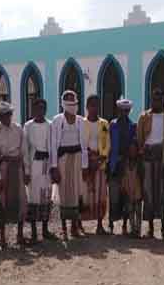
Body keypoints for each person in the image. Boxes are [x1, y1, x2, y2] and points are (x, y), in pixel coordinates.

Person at [137, 88, 164, 240]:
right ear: (151, 99)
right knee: (148, 192)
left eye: (159, 99)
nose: (157, 102)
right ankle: (150, 228)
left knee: (162, 193)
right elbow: (139, 138)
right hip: (147, 157)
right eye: (154, 99)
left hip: (163, 157)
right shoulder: (143, 117)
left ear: (163, 101)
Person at [50, 91, 89, 239]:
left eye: (73, 102)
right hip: (63, 160)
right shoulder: (57, 120)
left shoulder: (80, 121)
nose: (71, 105)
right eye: (68, 102)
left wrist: (84, 166)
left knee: (76, 192)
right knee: (64, 193)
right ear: (63, 103)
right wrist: (54, 167)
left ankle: (74, 226)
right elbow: (53, 145)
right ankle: (64, 228)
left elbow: (84, 145)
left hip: (77, 159)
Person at [0, 101, 28, 248]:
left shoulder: (18, 128)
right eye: (3, 115)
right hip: (3, 168)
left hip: (17, 167)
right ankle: (3, 237)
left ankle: (20, 234)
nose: (6, 117)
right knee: (2, 202)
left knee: (20, 200)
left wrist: (27, 171)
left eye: (8, 114)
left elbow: (24, 151)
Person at [24, 98, 56, 242]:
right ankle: (33, 232)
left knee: (46, 197)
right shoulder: (28, 126)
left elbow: (53, 147)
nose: (40, 111)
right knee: (32, 198)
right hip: (33, 167)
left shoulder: (50, 125)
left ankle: (45, 229)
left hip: (46, 166)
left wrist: (54, 167)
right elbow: (25, 149)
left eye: (42, 108)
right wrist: (26, 171)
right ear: (33, 110)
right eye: (37, 108)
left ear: (45, 110)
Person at [107, 99, 137, 235]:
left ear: (129, 111)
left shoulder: (132, 126)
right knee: (113, 196)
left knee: (126, 195)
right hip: (114, 164)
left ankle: (125, 225)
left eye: (126, 111)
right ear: (117, 110)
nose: (123, 113)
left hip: (126, 165)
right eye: (121, 110)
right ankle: (111, 224)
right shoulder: (112, 125)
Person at [81, 95, 110, 235]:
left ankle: (99, 224)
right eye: (91, 105)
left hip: (99, 164)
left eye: (96, 105)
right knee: (83, 193)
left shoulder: (104, 124)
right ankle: (79, 223)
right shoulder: (81, 123)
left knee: (100, 193)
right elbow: (80, 143)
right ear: (87, 107)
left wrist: (99, 159)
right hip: (85, 163)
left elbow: (106, 143)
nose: (94, 108)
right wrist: (87, 159)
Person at [122, 142, 144, 236]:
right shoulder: (125, 163)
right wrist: (123, 187)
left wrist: (143, 191)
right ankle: (132, 229)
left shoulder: (140, 163)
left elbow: (142, 177)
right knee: (130, 211)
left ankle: (138, 231)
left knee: (138, 211)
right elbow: (123, 176)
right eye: (131, 150)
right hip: (128, 189)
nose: (132, 151)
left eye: (134, 149)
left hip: (138, 189)